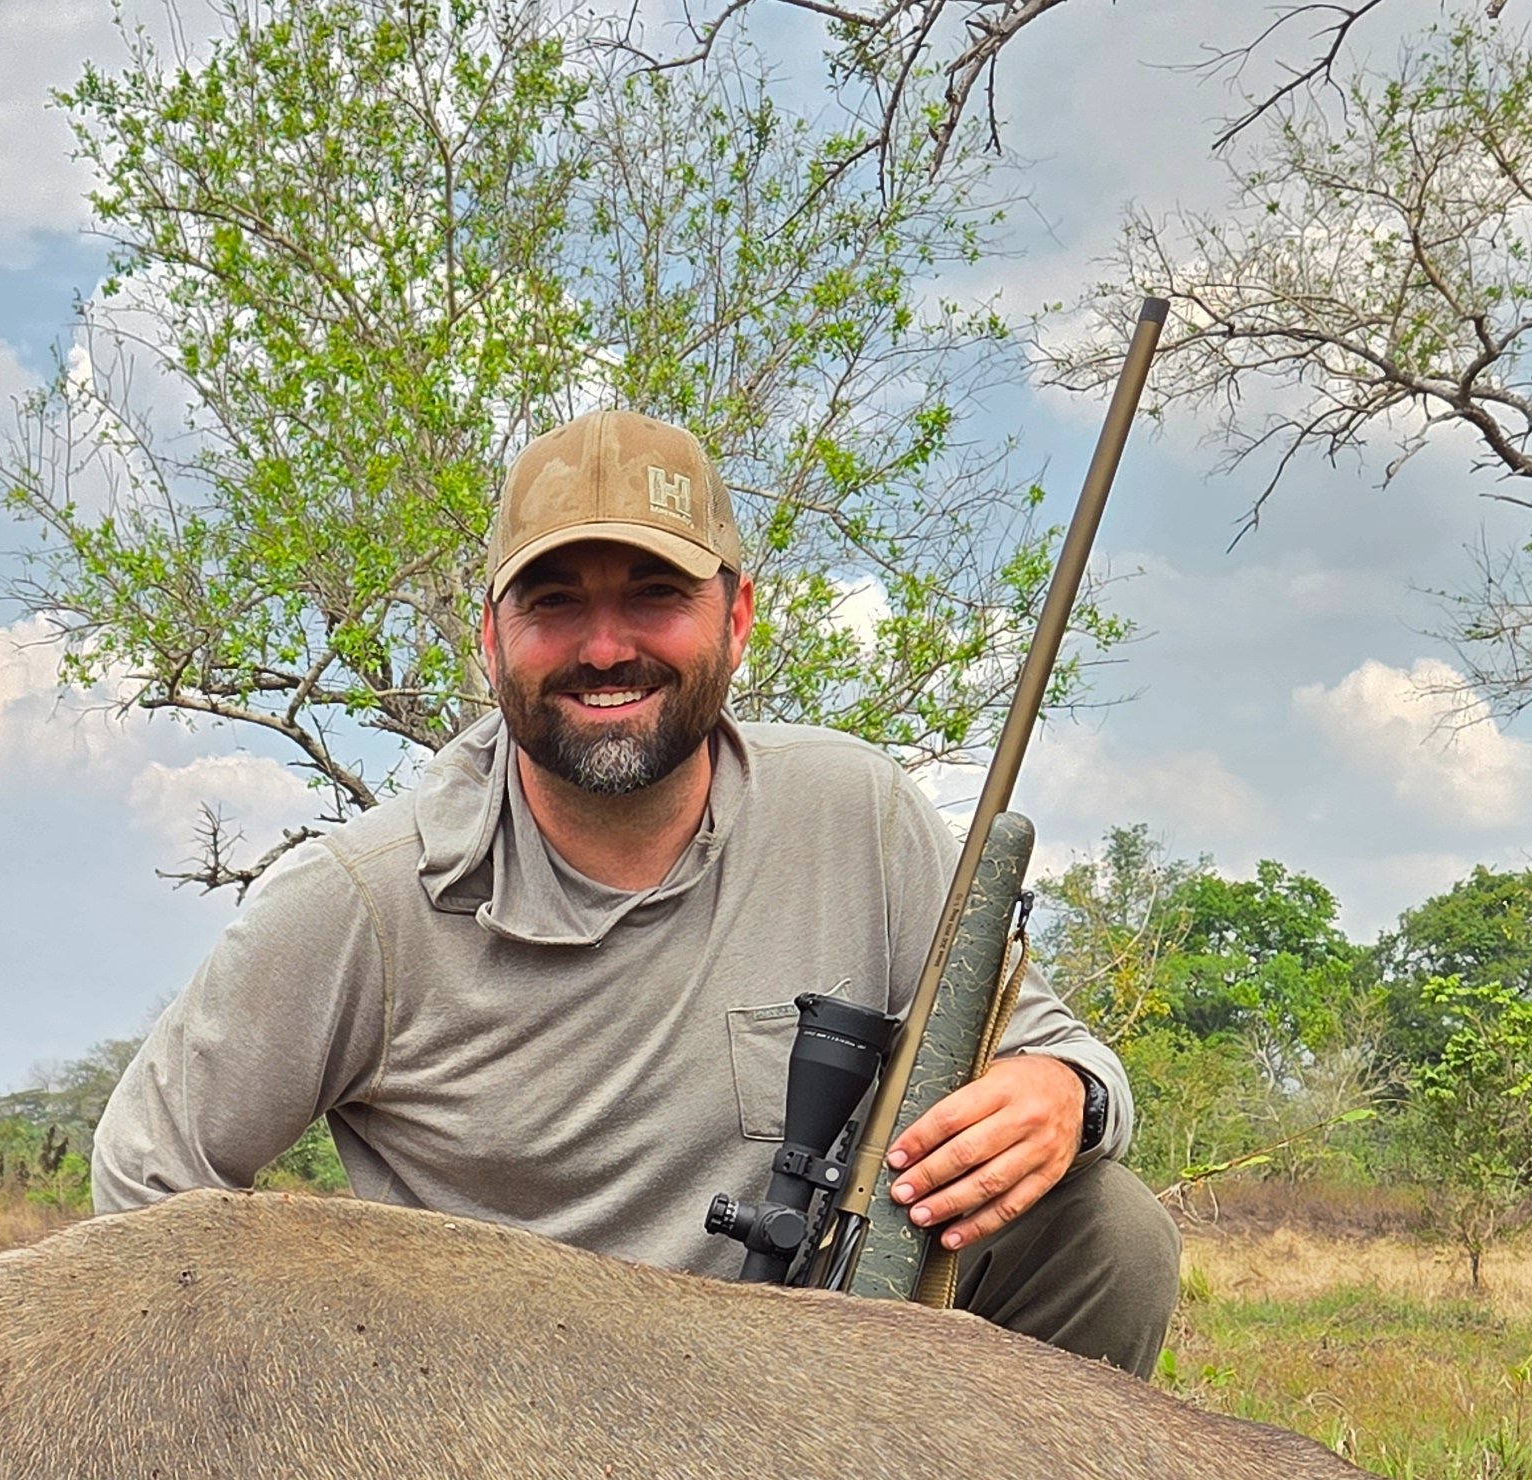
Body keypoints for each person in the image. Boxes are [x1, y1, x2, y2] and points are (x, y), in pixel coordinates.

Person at [92, 407, 1182, 1375]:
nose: (604, 647)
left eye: (655, 596)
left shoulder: (857, 810)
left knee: (1104, 1229)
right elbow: (144, 1180)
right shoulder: (360, 901)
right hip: (496, 1449)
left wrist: (1060, 1096)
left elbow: (1066, 1057)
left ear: (738, 617)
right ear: (489, 637)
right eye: (555, 604)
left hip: (808, 1385)